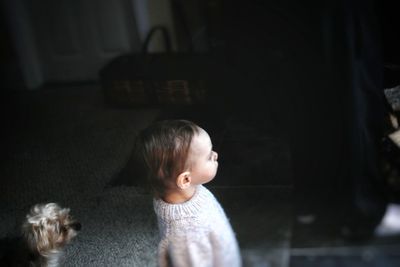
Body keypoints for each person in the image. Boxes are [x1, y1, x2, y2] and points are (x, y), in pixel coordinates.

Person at [135, 120, 241, 267]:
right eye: (208, 156)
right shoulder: (186, 235)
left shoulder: (180, 190)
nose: (215, 154)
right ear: (185, 179)